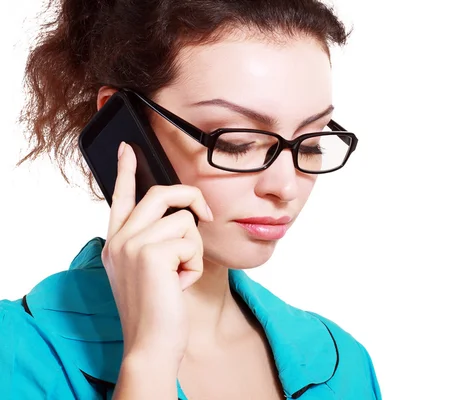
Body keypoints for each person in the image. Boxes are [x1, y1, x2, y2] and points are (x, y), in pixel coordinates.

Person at [0, 0, 381, 398]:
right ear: (124, 125)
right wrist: (149, 361)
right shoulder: (16, 352)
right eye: (237, 142)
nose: (285, 186)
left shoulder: (344, 364)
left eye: (312, 142)